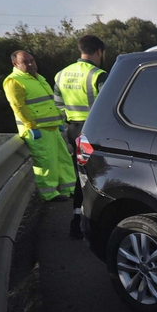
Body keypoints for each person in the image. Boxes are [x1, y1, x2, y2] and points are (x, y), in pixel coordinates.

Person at [3, 50, 76, 204]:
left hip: (52, 126)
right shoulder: (14, 81)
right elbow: (18, 107)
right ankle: (49, 194)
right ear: (15, 64)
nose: (31, 64)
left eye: (32, 60)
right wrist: (31, 126)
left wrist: (59, 122)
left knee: (63, 159)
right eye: (25, 62)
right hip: (38, 129)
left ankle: (69, 189)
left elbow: (48, 102)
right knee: (46, 162)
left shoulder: (37, 78)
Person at [54, 35, 107, 238]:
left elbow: (58, 106)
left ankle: (77, 220)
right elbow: (107, 105)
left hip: (73, 130)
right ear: (100, 52)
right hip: (93, 132)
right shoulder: (98, 75)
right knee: (97, 176)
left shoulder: (61, 74)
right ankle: (89, 224)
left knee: (80, 176)